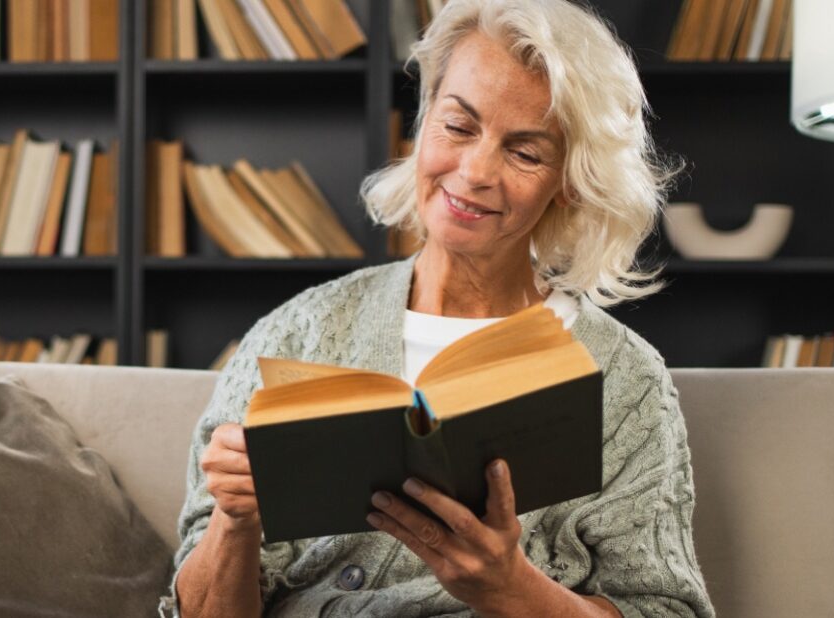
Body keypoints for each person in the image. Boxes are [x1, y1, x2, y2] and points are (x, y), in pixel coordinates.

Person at [159, 0, 715, 616]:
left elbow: (667, 610)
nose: (475, 171)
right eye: (458, 126)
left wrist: (510, 588)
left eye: (525, 153)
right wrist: (234, 525)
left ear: (570, 184)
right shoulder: (297, 332)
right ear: (424, 124)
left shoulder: (626, 382)